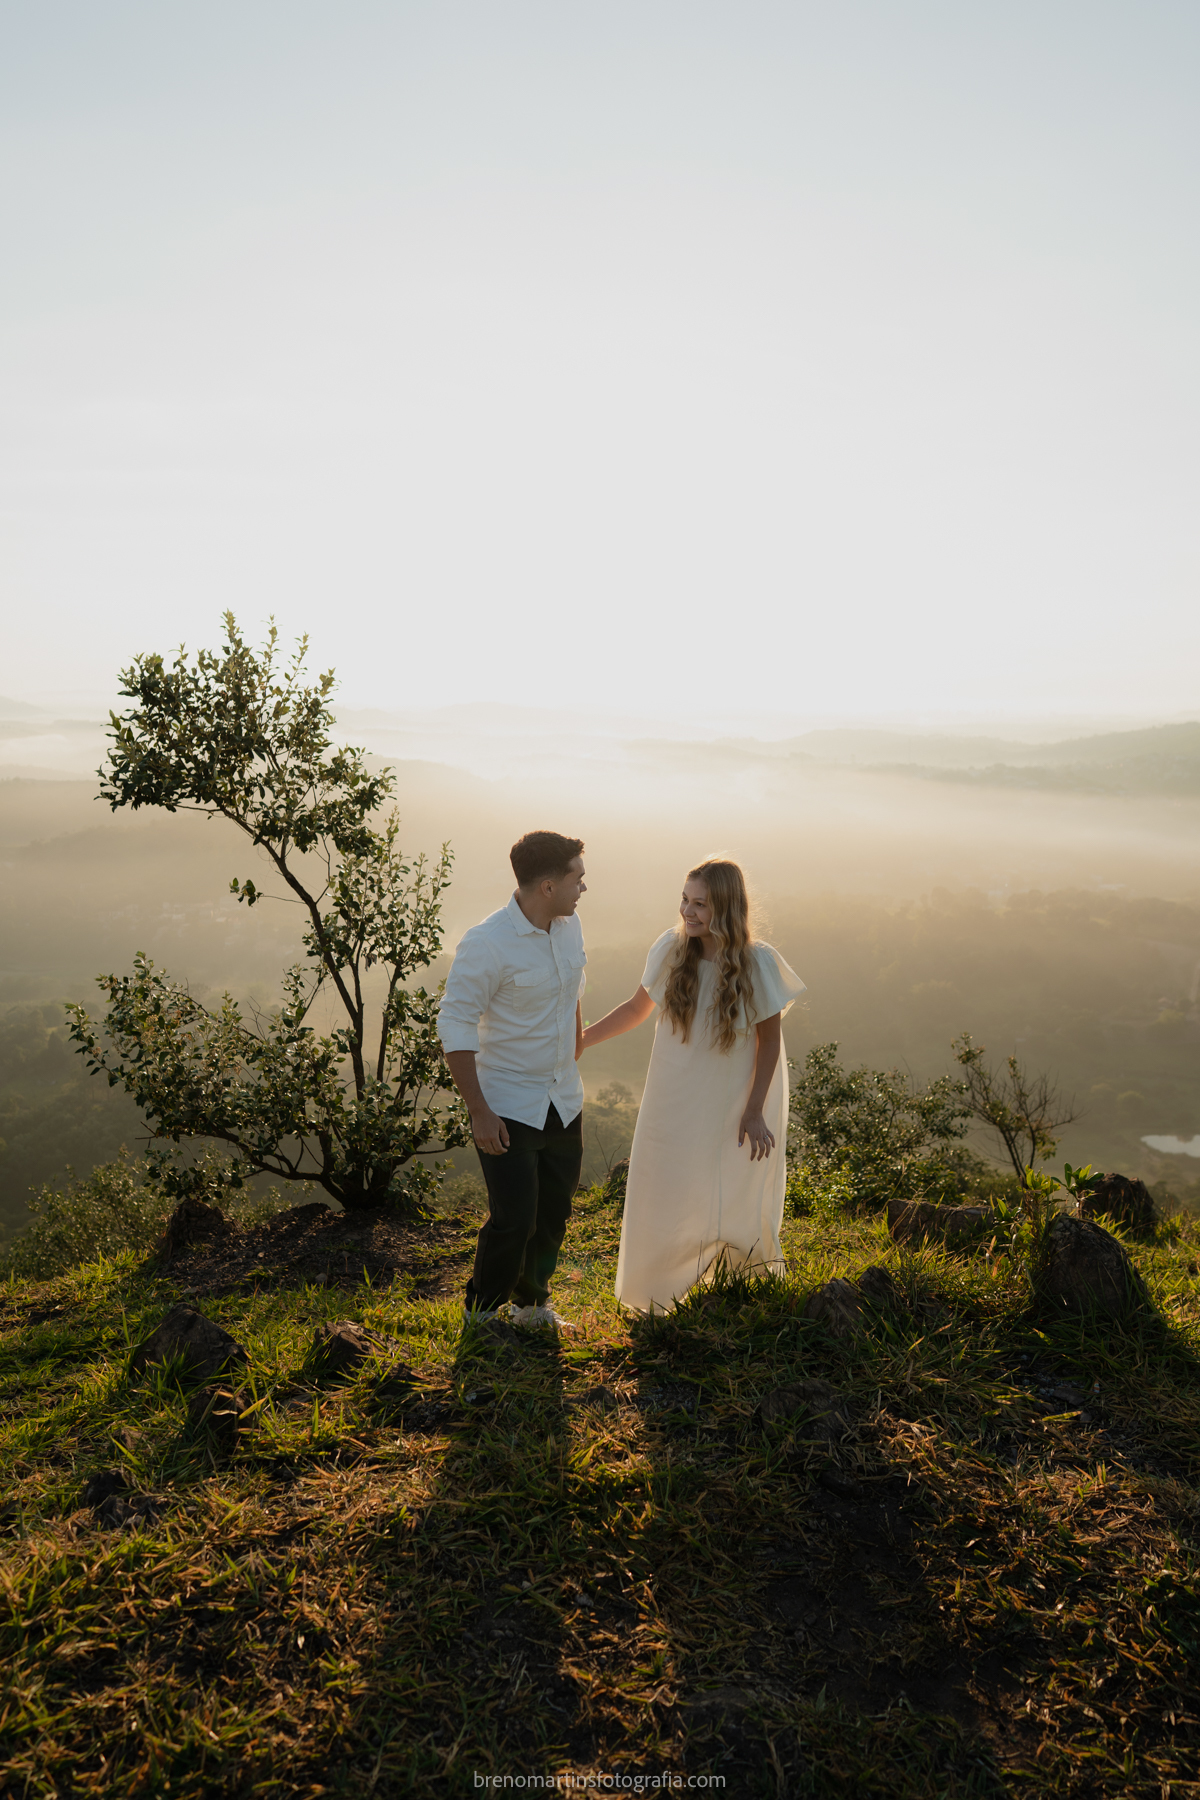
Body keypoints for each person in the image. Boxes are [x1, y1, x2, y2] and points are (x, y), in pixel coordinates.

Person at [579, 858, 805, 1313]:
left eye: (700, 903)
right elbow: (635, 1009)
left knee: (730, 1176)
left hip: (734, 1093)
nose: (688, 911)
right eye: (685, 899)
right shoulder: (671, 949)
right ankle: (654, 1290)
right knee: (664, 1179)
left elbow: (769, 1043)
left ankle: (740, 1278)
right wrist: (582, 1041)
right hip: (674, 1090)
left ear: (726, 906)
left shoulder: (757, 963)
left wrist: (754, 1109)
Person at [438, 830, 588, 1327]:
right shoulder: (486, 943)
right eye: (577, 878)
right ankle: (480, 1314)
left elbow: (572, 988)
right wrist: (478, 1110)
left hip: (563, 1098)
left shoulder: (570, 927)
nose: (583, 888)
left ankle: (531, 1306)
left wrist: (577, 1038)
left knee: (552, 1214)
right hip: (506, 1104)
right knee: (514, 1219)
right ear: (547, 886)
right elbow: (456, 1025)